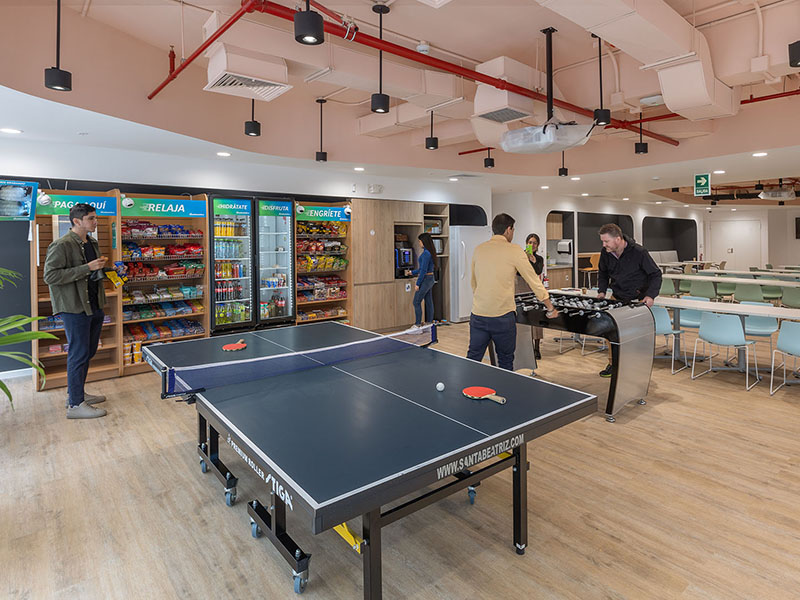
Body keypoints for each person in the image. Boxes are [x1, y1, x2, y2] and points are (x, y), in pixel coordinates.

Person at [43, 203, 109, 419]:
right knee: (78, 353)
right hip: (74, 307)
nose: (95, 222)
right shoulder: (61, 245)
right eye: (91, 218)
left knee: (88, 352)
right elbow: (50, 276)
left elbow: (93, 272)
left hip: (94, 304)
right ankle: (75, 405)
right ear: (76, 221)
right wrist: (87, 268)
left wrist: (112, 270)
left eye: (95, 218)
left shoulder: (92, 242)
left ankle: (76, 394)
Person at [468, 214, 558, 371]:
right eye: (513, 229)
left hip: (478, 315)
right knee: (505, 361)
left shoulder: (479, 249)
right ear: (508, 229)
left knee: (473, 358)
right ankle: (504, 387)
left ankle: (466, 386)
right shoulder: (515, 250)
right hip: (503, 317)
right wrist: (550, 307)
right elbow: (534, 280)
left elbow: (474, 283)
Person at [596, 223, 662, 377]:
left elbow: (655, 274)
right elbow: (603, 273)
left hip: (637, 300)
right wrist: (602, 291)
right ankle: (613, 364)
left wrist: (650, 295)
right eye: (603, 241)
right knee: (611, 333)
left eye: (606, 241)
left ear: (618, 239)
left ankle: (635, 367)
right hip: (617, 297)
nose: (604, 245)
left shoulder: (639, 252)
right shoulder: (606, 252)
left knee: (634, 336)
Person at [514, 233, 545, 360]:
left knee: (536, 317)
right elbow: (517, 271)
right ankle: (523, 347)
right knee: (521, 317)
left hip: (533, 287)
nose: (532, 245)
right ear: (526, 243)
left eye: (534, 243)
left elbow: (538, 271)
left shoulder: (539, 259)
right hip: (520, 286)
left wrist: (533, 260)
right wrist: (525, 258)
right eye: (530, 242)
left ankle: (536, 348)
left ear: (538, 245)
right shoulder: (519, 256)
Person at [409, 232, 438, 327]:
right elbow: (423, 269)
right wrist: (412, 272)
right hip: (430, 278)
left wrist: (418, 284)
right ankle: (429, 324)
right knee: (429, 301)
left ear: (423, 241)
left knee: (416, 301)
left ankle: (417, 325)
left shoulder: (426, 254)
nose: (419, 243)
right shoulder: (430, 252)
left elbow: (423, 271)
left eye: (419, 241)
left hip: (426, 279)